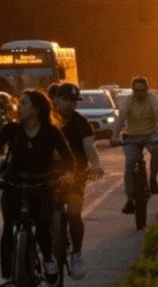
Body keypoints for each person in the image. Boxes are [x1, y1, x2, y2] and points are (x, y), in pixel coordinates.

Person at [0, 90, 75, 287]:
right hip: (15, 184)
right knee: (8, 228)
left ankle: (48, 260)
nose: (19, 107)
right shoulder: (12, 129)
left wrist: (67, 174)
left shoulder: (51, 132)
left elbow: (69, 159)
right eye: (19, 103)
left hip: (42, 185)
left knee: (42, 226)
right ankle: (6, 275)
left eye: (24, 103)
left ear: (36, 109)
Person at [52, 83, 105, 280]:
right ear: (56, 100)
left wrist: (96, 165)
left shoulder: (82, 123)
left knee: (74, 213)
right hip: (48, 176)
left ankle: (76, 255)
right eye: (65, 99)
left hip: (76, 175)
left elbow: (89, 147)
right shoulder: (46, 120)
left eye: (73, 101)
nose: (69, 104)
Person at [110, 77, 158, 214]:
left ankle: (152, 179)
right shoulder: (127, 100)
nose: (139, 93)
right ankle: (130, 200)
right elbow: (120, 119)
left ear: (147, 90)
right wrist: (114, 137)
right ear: (133, 90)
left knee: (156, 150)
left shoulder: (153, 99)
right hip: (131, 136)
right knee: (130, 164)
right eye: (136, 90)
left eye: (142, 90)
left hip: (150, 134)